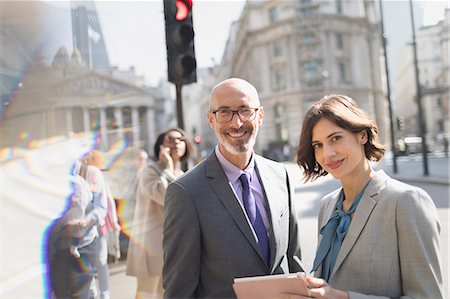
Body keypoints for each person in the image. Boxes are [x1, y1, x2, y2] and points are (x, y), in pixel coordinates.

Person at [162, 78, 303, 298]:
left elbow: (294, 261)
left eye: (245, 110)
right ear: (211, 119)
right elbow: (179, 290)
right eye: (224, 112)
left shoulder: (280, 175)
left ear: (260, 115)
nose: (236, 123)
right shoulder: (185, 193)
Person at [295, 95, 444, 298]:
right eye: (318, 145)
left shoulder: (406, 201)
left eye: (335, 138)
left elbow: (428, 295)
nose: (326, 154)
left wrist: (345, 298)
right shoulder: (327, 206)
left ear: (362, 136)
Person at [126, 128, 195, 299]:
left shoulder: (182, 174)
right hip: (152, 252)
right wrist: (168, 167)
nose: (176, 143)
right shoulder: (150, 171)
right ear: (161, 147)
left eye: (180, 139)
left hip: (175, 249)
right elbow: (167, 196)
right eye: (170, 140)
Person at [50, 159, 108, 299]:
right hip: (61, 246)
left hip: (87, 241)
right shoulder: (57, 176)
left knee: (87, 287)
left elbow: (101, 208)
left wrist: (84, 222)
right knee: (67, 289)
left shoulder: (89, 175)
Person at [80, 150, 120, 299]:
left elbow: (105, 201)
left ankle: (104, 294)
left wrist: (113, 221)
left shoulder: (94, 173)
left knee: (100, 262)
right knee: (87, 266)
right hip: (79, 231)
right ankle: (94, 294)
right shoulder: (73, 174)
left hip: (96, 227)